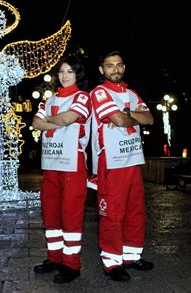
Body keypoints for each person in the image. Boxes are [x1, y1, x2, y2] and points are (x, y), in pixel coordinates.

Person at [90, 50, 154, 282]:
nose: (115, 69)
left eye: (119, 65)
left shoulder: (131, 93)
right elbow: (118, 120)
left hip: (134, 159)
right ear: (102, 70)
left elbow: (149, 119)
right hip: (112, 160)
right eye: (109, 66)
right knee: (112, 213)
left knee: (136, 211)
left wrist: (128, 113)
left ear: (124, 67)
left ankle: (131, 256)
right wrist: (132, 114)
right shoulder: (98, 92)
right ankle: (112, 262)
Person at [32, 54, 91, 283]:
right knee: (51, 213)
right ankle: (54, 258)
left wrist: (51, 119)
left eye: (69, 71)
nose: (64, 75)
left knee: (71, 214)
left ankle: (72, 265)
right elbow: (36, 123)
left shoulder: (82, 97)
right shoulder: (49, 100)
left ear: (77, 74)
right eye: (61, 72)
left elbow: (70, 117)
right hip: (50, 164)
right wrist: (57, 119)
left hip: (72, 164)